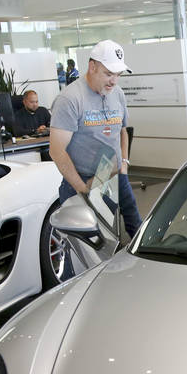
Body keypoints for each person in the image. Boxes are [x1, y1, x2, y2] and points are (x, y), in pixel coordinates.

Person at [49, 39, 142, 253]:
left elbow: (123, 131)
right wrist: (84, 190)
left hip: (114, 176)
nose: (114, 81)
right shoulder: (70, 99)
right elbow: (56, 151)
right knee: (90, 249)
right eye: (109, 74)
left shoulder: (117, 94)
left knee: (137, 231)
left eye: (118, 75)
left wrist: (124, 165)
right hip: (82, 182)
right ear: (92, 67)